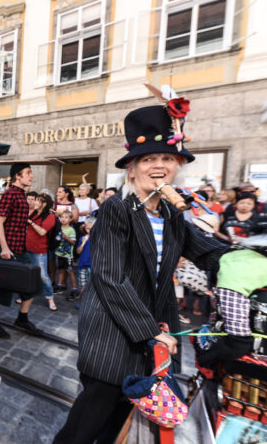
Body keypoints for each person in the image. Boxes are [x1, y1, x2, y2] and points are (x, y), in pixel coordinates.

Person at [54, 98, 230, 444]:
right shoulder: (117, 209)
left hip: (152, 343)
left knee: (119, 426)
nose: (159, 166)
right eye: (149, 158)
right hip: (114, 337)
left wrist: (249, 262)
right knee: (86, 427)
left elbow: (211, 254)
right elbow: (110, 278)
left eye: (167, 157)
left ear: (177, 164)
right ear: (131, 168)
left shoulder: (172, 213)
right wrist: (151, 331)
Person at [0, 162, 40, 339]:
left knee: (33, 285)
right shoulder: (10, 195)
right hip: (9, 251)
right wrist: (5, 248)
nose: (31, 176)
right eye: (28, 173)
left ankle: (22, 319)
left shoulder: (22, 195)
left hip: (21, 249)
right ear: (18, 175)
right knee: (1, 288)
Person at [25, 192, 57, 311]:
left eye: (38, 201)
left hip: (39, 251)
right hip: (27, 248)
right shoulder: (33, 213)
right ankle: (26, 297)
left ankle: (50, 298)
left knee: (43, 276)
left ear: (44, 204)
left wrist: (31, 222)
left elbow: (42, 232)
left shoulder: (50, 216)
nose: (35, 202)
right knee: (28, 274)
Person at [69, 216, 96, 306]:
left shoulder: (98, 239)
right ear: (85, 228)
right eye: (88, 228)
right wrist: (83, 242)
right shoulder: (82, 238)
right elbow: (78, 251)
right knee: (82, 285)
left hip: (94, 266)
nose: (90, 230)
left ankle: (91, 302)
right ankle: (82, 301)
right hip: (83, 265)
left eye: (92, 228)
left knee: (93, 286)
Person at [55, 210, 78, 297]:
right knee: (60, 270)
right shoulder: (59, 227)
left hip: (67, 256)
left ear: (70, 219)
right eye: (62, 217)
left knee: (70, 271)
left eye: (66, 217)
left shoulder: (71, 230)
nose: (63, 219)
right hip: (59, 253)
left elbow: (73, 242)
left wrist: (66, 237)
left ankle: (75, 288)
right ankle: (60, 286)